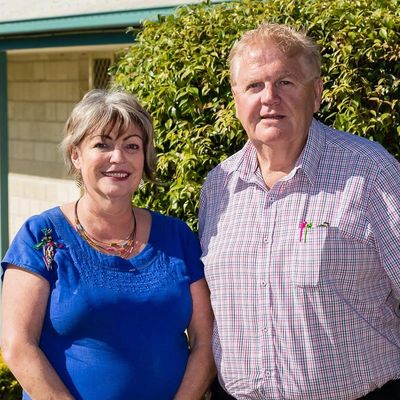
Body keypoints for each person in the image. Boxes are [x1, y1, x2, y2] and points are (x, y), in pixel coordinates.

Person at [199, 22, 400, 400]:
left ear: (317, 92)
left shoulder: (370, 172)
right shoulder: (218, 186)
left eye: (286, 82)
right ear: (237, 98)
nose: (269, 98)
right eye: (254, 86)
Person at [1, 89, 215, 400]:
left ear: (144, 158)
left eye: (132, 146)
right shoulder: (41, 236)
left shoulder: (177, 237)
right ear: (76, 155)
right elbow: (17, 345)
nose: (119, 158)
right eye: (102, 144)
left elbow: (205, 340)